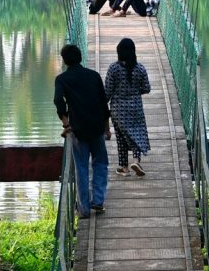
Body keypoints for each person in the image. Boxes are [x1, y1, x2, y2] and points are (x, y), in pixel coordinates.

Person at [53, 44, 112, 218]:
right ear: (80, 57)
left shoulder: (62, 79)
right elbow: (103, 103)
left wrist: (65, 123)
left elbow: (58, 100)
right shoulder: (94, 76)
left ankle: (84, 209)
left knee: (81, 167)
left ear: (64, 61)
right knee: (100, 163)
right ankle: (98, 201)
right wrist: (107, 128)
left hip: (78, 129)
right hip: (96, 127)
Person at [104, 38, 151, 177]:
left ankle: (124, 167)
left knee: (121, 137)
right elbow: (147, 88)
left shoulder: (113, 68)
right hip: (135, 108)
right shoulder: (140, 68)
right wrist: (135, 92)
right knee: (137, 133)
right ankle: (136, 160)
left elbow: (107, 92)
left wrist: (101, 106)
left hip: (118, 109)